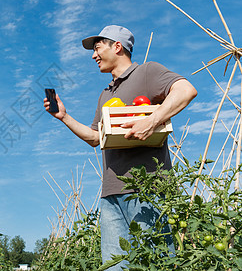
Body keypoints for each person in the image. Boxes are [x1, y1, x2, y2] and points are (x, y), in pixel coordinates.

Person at [44, 25, 197, 270]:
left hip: (147, 187)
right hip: (111, 193)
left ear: (117, 47)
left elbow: (186, 90)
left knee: (155, 261)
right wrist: (64, 116)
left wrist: (152, 120)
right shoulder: (105, 95)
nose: (93, 55)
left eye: (97, 48)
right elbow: (95, 138)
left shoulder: (147, 72)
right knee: (114, 266)